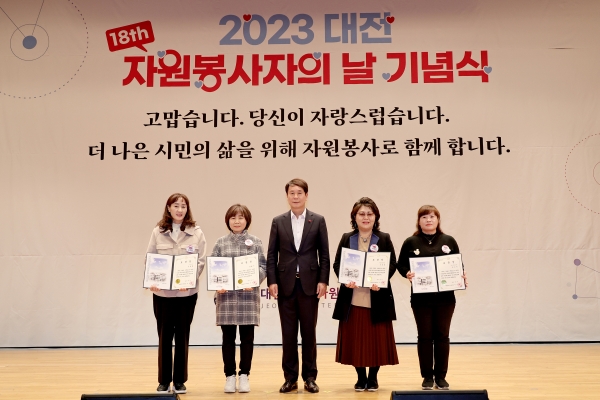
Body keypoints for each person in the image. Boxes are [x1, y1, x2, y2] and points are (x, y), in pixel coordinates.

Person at [267, 178, 330, 393]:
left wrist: (323, 280)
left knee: (309, 334)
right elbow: (271, 254)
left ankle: (310, 377)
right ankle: (290, 378)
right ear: (287, 196)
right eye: (292, 193)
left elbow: (324, 254)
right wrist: (272, 280)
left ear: (306, 195)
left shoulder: (318, 220)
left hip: (309, 285)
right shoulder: (278, 221)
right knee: (288, 334)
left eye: (299, 193)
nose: (295, 196)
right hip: (285, 285)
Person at [397, 205, 468, 391]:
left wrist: (461, 276)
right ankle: (427, 377)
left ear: (438, 220)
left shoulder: (448, 240)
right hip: (421, 299)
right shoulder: (411, 242)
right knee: (425, 337)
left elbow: (457, 265)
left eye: (432, 216)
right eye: (424, 217)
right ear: (418, 221)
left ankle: (441, 377)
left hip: (445, 299)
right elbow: (400, 265)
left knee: (442, 336)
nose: (428, 220)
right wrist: (407, 273)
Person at [332, 197, 399, 392]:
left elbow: (392, 263)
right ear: (355, 217)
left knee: (377, 341)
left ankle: (373, 377)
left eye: (370, 213)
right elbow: (338, 264)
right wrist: (345, 280)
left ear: (375, 216)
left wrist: (381, 280)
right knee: (356, 341)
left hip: (377, 297)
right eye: (361, 213)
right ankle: (361, 377)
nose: (366, 217)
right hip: (353, 298)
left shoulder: (384, 238)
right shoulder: (347, 238)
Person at [145, 193, 207, 394]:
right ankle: (164, 381)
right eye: (176, 205)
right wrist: (153, 281)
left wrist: (189, 280)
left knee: (182, 336)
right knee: (164, 337)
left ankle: (179, 380)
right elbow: (150, 258)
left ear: (187, 209)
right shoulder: (158, 231)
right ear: (169, 208)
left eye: (183, 206)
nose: (180, 210)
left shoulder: (196, 232)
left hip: (186, 295)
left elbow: (201, 260)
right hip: (163, 295)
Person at [210, 204, 267, 393]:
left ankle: (244, 375)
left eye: (241, 217)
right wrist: (217, 284)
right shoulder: (220, 243)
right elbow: (214, 267)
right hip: (226, 297)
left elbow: (263, 266)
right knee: (228, 339)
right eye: (233, 218)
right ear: (228, 220)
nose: (237, 221)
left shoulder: (255, 242)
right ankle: (229, 376)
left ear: (247, 220)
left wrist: (254, 280)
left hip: (248, 297)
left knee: (247, 339)